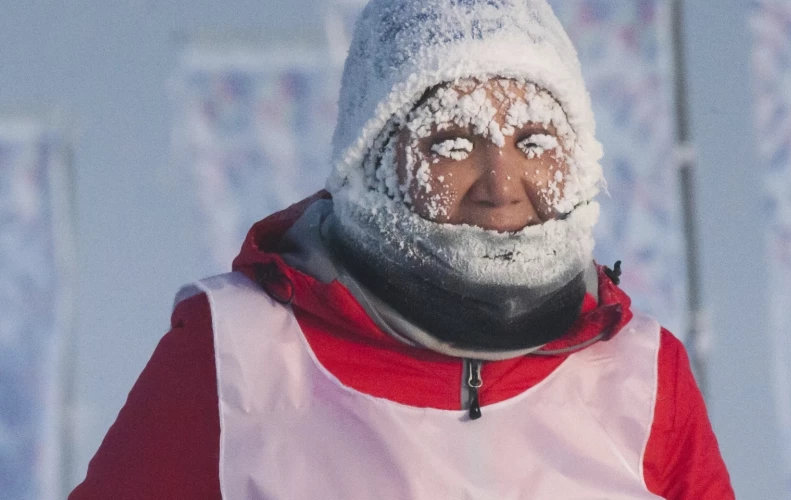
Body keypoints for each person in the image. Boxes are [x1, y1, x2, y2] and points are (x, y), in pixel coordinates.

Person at [70, 0, 734, 498]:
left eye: (533, 142)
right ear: (372, 161)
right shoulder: (234, 354)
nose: (501, 186)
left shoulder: (643, 379)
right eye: (451, 144)